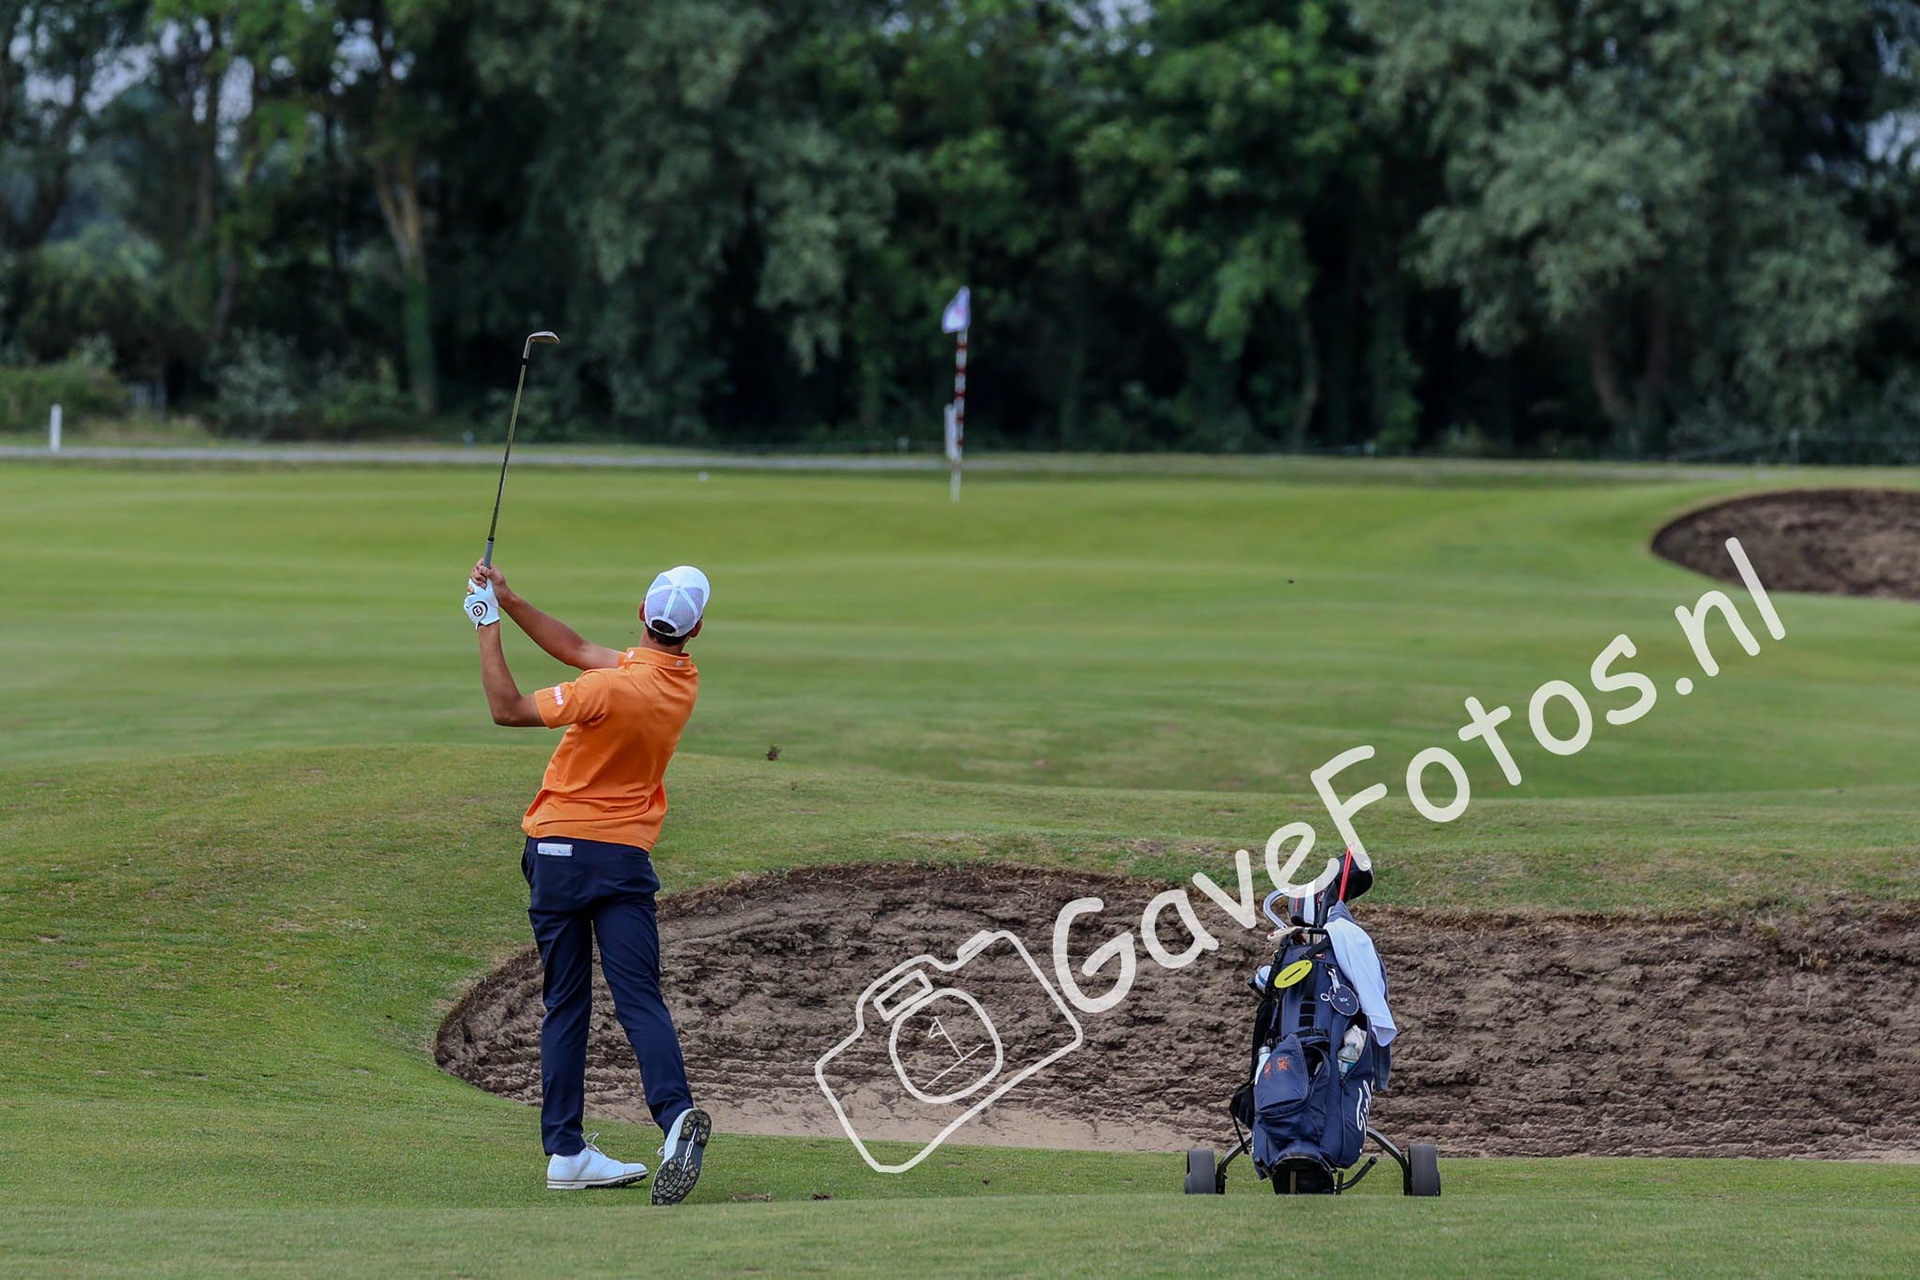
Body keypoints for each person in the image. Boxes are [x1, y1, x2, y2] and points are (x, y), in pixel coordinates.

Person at [462, 560, 713, 1203]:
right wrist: (512, 599)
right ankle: (675, 1117)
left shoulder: (606, 690)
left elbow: (506, 709)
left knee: (565, 1004)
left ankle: (565, 1151)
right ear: (696, 630)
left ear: (641, 612)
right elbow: (575, 648)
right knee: (639, 999)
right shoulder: (680, 682)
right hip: (623, 861)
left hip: (557, 853)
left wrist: (487, 625)